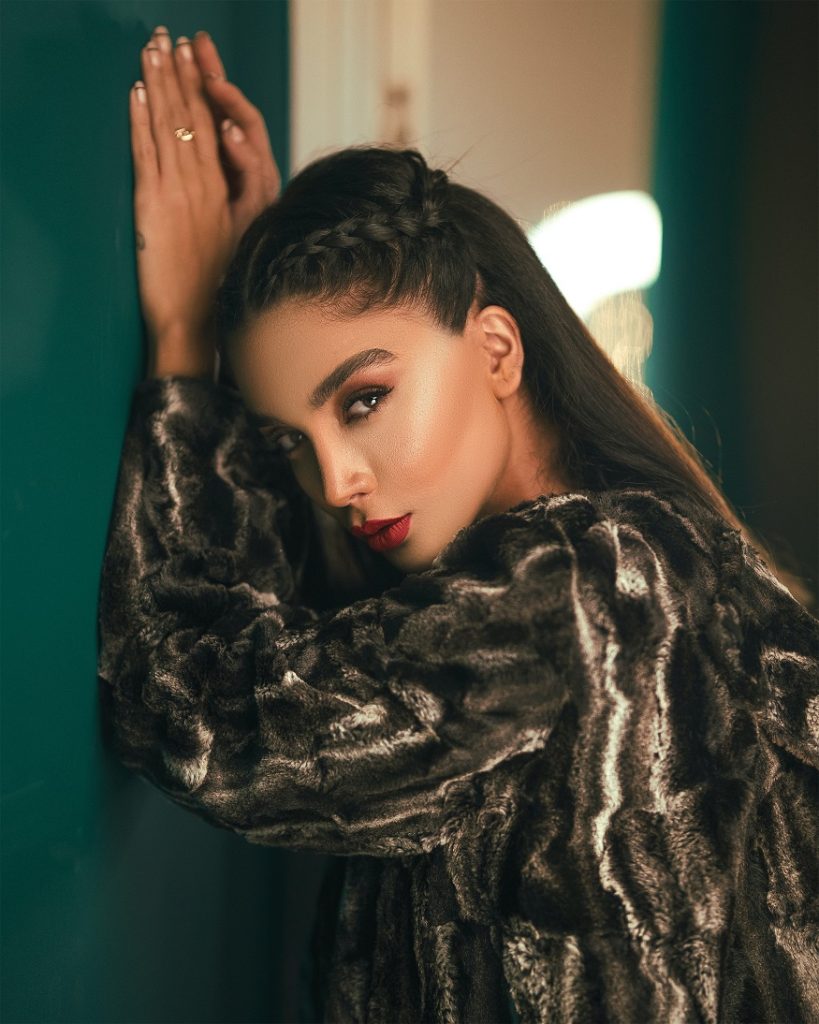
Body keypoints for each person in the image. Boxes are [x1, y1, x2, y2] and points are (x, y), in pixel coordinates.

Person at [98, 25, 819, 1024]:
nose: (336, 481)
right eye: (289, 442)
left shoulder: (580, 585)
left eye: (364, 400)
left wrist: (182, 346)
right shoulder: (662, 560)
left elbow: (194, 714)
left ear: (495, 349)